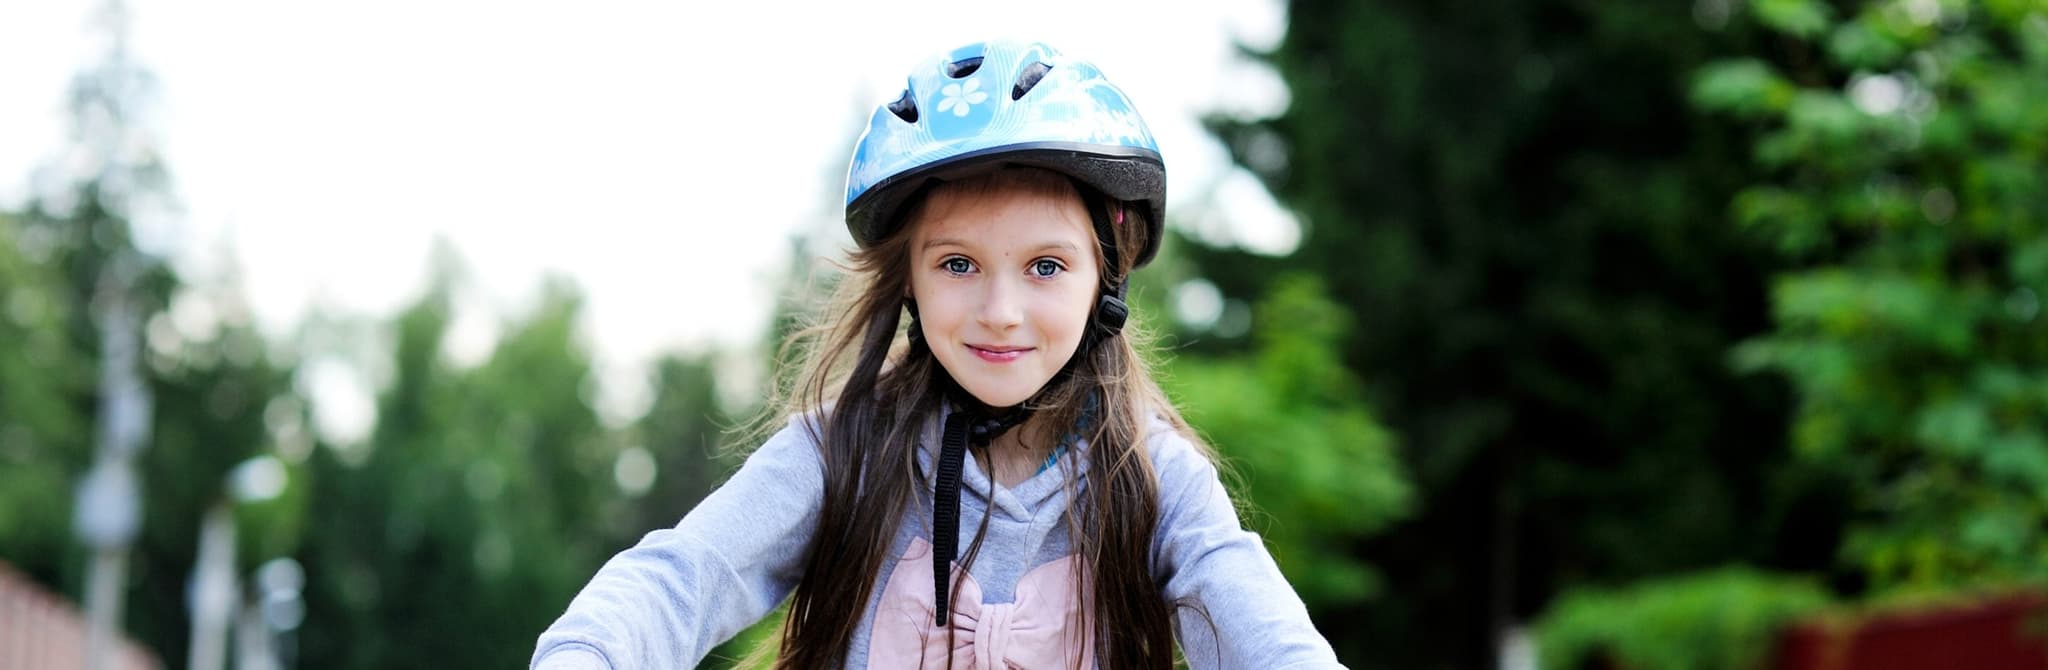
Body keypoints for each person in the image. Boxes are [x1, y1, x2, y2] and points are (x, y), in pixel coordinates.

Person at [530, 40, 1345, 669]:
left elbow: (1268, 637)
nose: (1000, 312)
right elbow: (680, 579)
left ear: (1108, 272)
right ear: (910, 278)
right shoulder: (840, 453)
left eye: (1046, 267)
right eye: (958, 264)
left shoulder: (1153, 480)